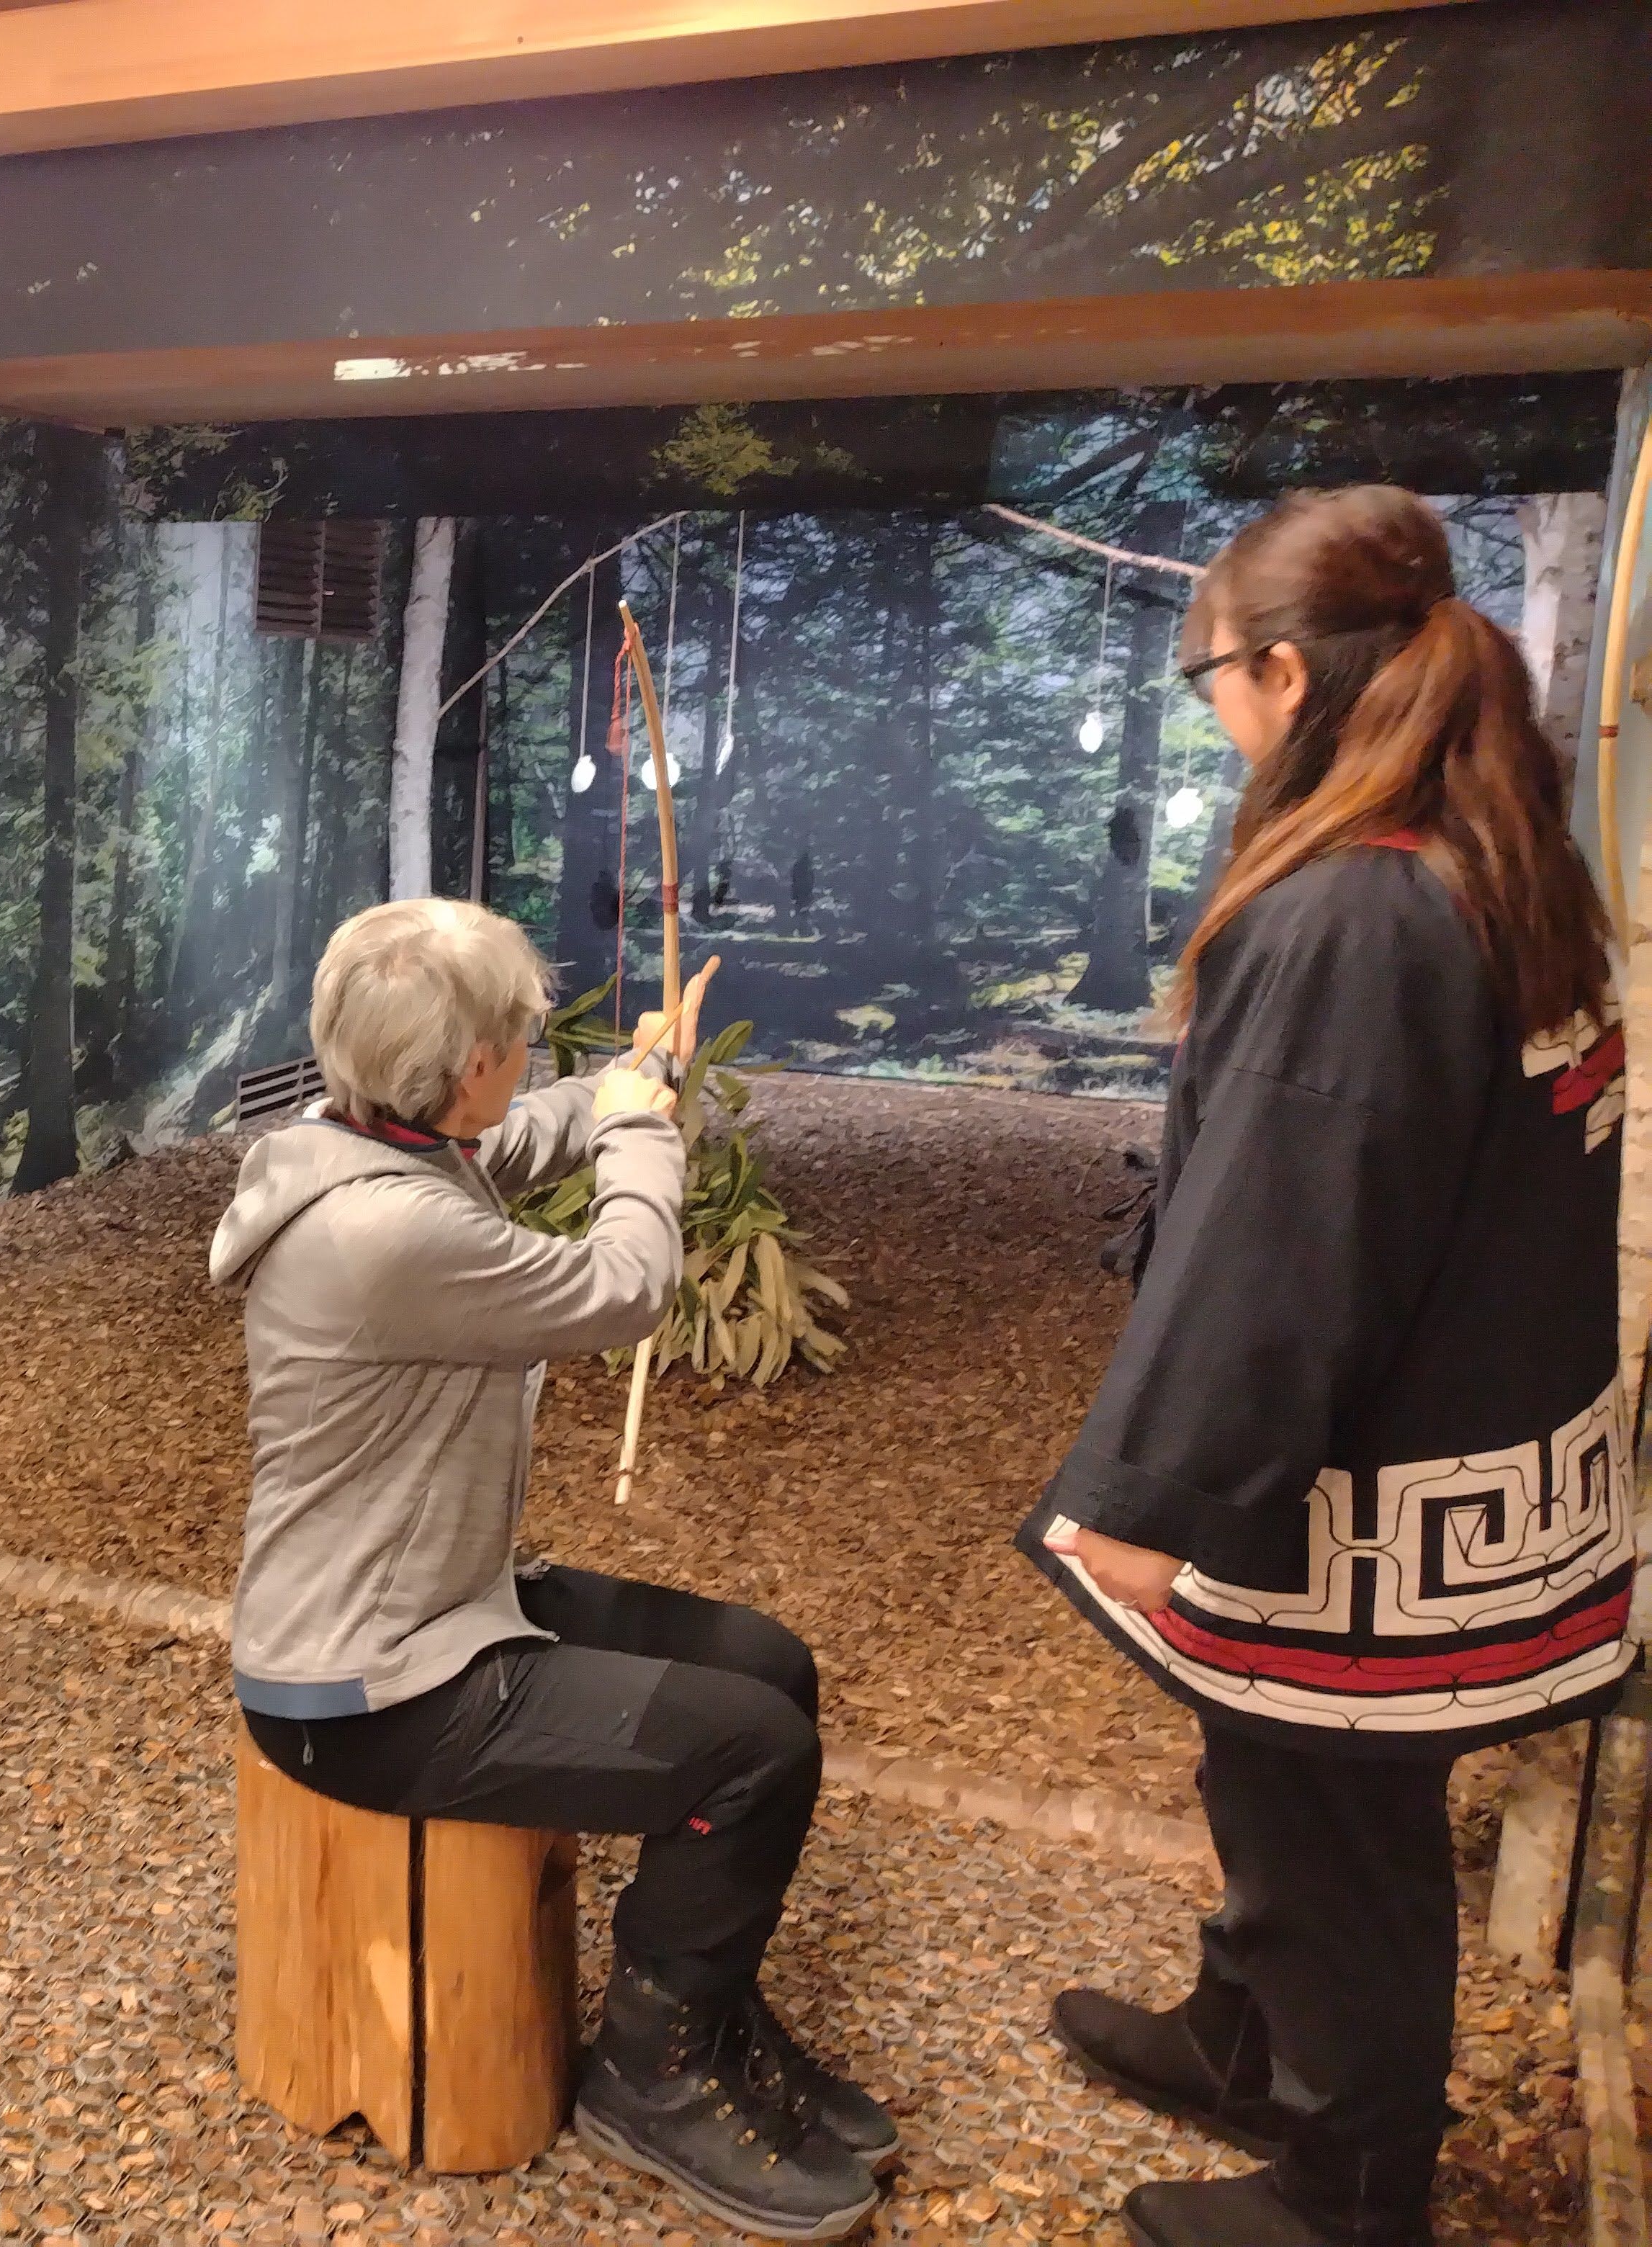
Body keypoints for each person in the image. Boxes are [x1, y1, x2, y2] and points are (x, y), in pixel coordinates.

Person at [1025, 487, 1630, 2247]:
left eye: (1213, 672)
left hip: (1375, 1491)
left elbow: (1281, 1249)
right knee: (1273, 1777)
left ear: (1284, 672)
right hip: (1485, 1446)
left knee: (1336, 1827)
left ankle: (1348, 2185)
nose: (1215, 706)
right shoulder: (1502, 851)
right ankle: (1245, 2032)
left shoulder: (1356, 915)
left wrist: (1151, 1497)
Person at [212, 900, 892, 2242]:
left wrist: (629, 1078)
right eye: (518, 1035)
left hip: (443, 1616)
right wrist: (647, 1130)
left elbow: (526, 1134)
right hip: (367, 1691)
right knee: (754, 1751)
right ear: (461, 1066)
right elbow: (629, 1283)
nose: (530, 1050)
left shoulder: (362, 1143)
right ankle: (654, 2075)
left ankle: (706, 2000)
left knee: (768, 1665)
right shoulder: (386, 1233)